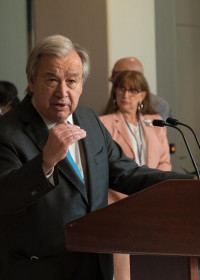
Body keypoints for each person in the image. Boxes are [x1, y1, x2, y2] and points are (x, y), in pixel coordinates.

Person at [0, 34, 193, 280]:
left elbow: (127, 173)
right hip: (41, 270)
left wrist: (187, 185)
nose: (63, 91)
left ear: (81, 85)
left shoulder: (89, 120)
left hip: (96, 267)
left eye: (72, 81)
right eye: (51, 80)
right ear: (31, 81)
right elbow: (5, 198)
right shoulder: (7, 131)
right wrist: (45, 163)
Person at [100, 70, 171, 280]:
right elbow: (106, 169)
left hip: (152, 204)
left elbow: (164, 162)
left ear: (142, 96)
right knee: (124, 271)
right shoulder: (103, 122)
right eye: (121, 89)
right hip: (118, 205)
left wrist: (156, 192)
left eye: (132, 90)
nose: (125, 95)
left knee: (154, 267)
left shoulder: (156, 122)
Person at [109, 57, 170, 121]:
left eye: (114, 74)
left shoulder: (158, 105)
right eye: (122, 89)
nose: (110, 78)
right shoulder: (111, 105)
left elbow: (158, 130)